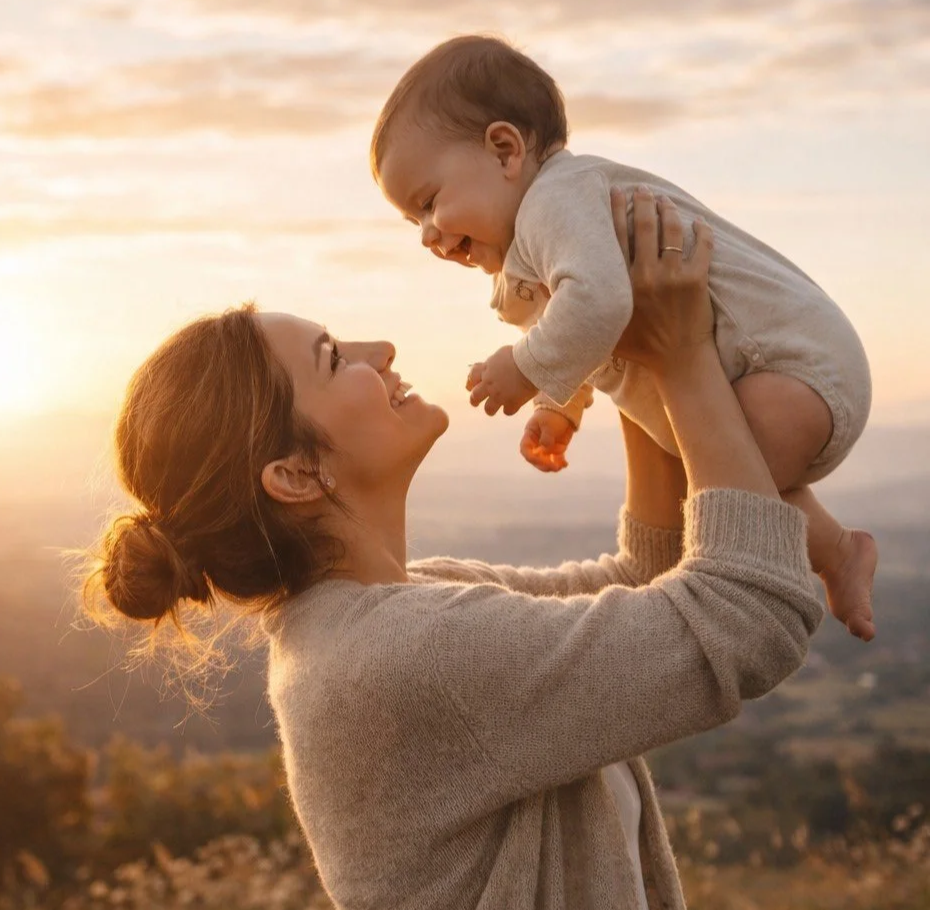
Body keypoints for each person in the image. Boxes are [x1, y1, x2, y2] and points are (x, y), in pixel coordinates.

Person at [86, 193, 823, 910]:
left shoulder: (395, 612)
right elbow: (747, 616)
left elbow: (642, 582)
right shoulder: (405, 657)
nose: (381, 351)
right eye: (334, 358)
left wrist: (620, 343)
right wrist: (685, 353)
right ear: (296, 473)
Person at [371, 34, 876, 642]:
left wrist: (527, 366)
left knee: (728, 496)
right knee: (720, 481)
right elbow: (590, 334)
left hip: (793, 369)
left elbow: (602, 302)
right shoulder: (530, 252)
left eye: (429, 203)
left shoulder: (555, 199)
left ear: (505, 150)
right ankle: (839, 550)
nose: (428, 235)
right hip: (751, 379)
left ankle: (839, 550)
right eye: (413, 222)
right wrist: (561, 405)